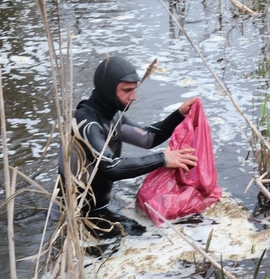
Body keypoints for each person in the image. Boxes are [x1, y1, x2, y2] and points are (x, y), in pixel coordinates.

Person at [58, 55, 198, 235]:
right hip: (72, 216)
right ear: (107, 90)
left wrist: (179, 114)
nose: (134, 97)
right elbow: (112, 167)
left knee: (150, 233)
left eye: (134, 90)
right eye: (127, 90)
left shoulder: (114, 116)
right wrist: (162, 159)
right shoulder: (86, 123)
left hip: (99, 209)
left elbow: (148, 138)